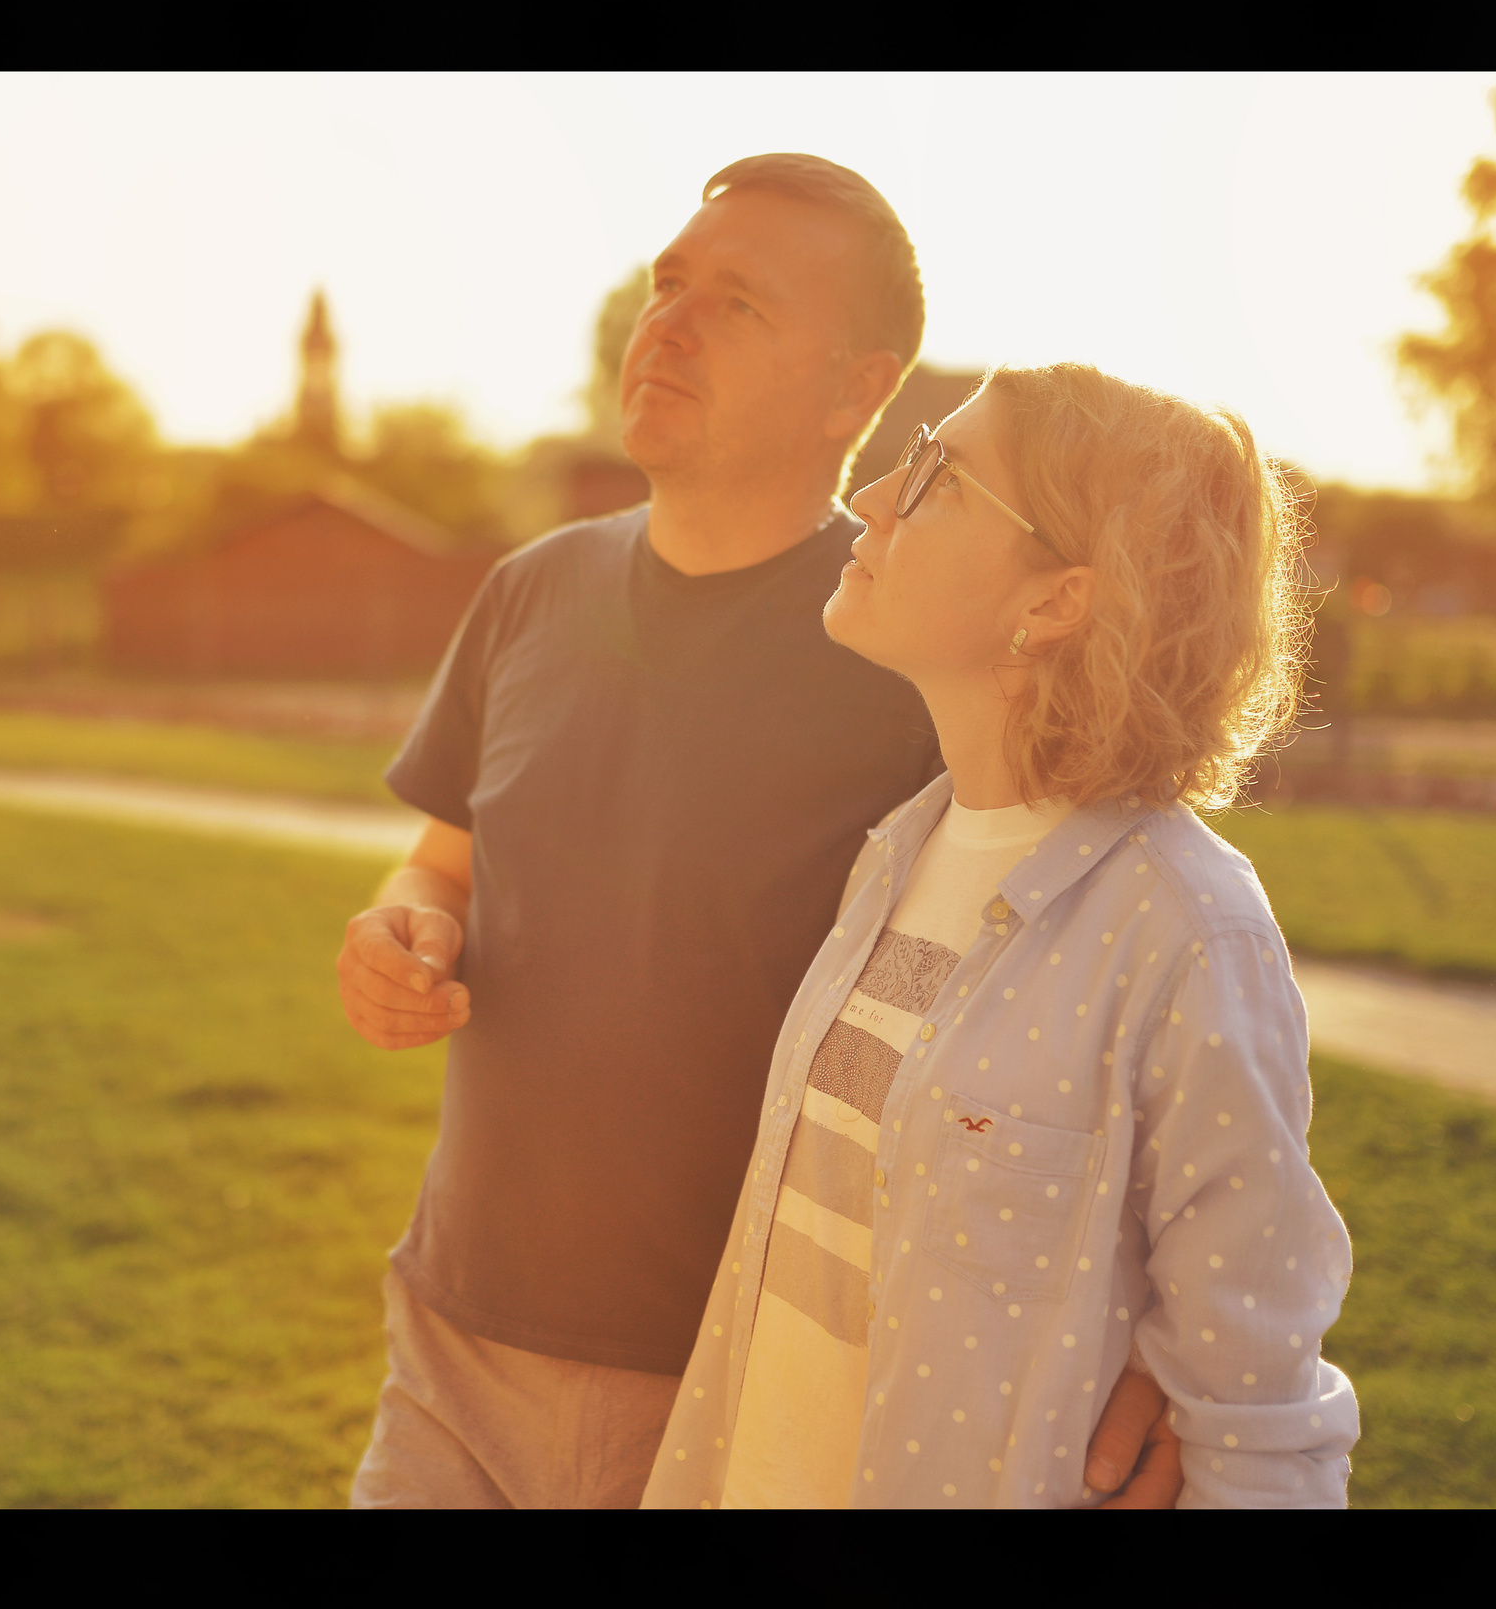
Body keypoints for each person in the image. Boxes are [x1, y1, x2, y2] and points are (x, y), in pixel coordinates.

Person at [337, 155, 1179, 1508]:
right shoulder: (529, 590)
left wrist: (1158, 1342)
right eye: (669, 282)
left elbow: (1097, 1022)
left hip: (743, 1391)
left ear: (860, 388)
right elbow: (445, 856)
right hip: (449, 1347)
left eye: (738, 304)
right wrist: (405, 922)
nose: (666, 321)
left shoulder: (919, 647)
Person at [643, 364, 1361, 1509]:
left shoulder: (1189, 935)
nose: (873, 496)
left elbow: (1259, 1410)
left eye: (934, 473)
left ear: (1055, 600)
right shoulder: (897, 853)